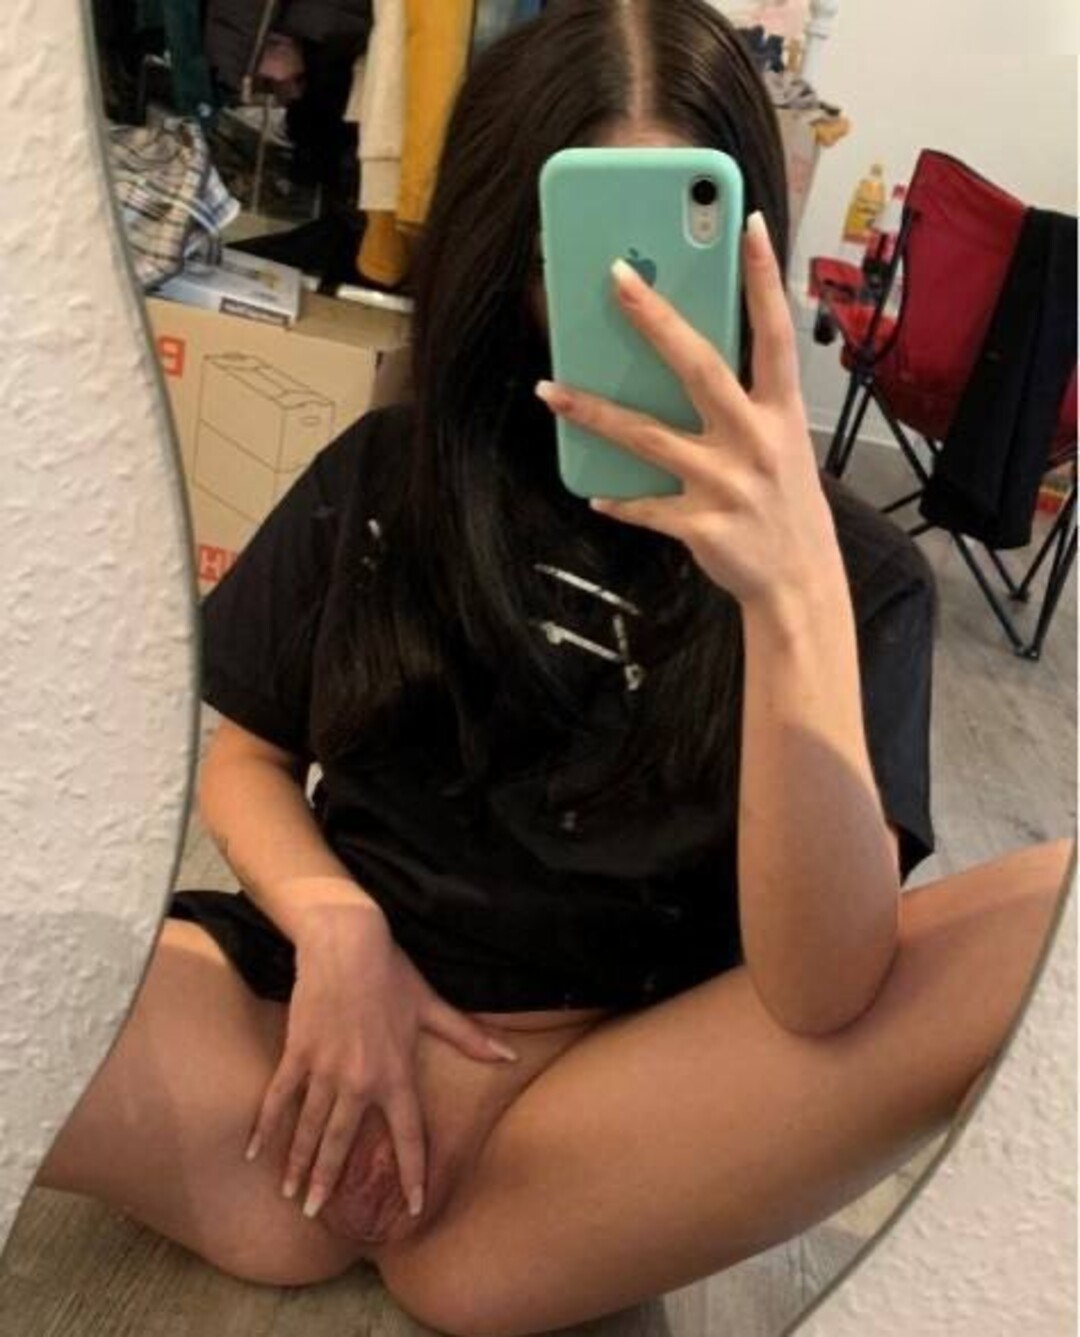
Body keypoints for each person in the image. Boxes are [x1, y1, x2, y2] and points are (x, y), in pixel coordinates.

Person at [38, 3, 1071, 1334]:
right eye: (580, 257)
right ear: (500, 247)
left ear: (749, 251)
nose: (632, 306)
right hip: (309, 1037)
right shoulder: (394, 471)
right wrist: (336, 926)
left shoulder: (858, 582)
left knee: (1049, 911)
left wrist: (793, 599)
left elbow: (824, 990)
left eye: (676, 259)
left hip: (596, 1127)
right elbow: (245, 755)